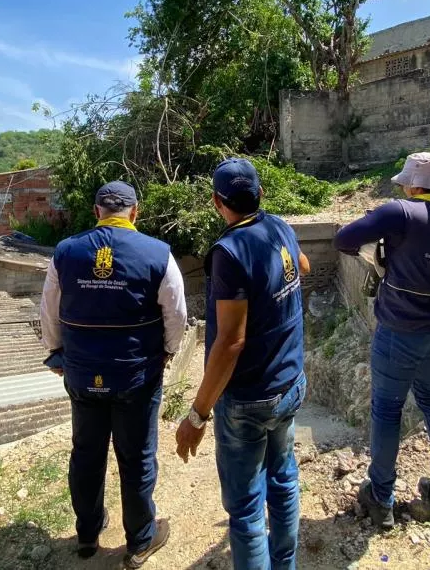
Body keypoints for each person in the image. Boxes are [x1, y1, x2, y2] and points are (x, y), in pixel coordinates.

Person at [39, 181, 187, 567]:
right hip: (136, 377)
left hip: (83, 374)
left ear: (96, 212)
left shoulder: (66, 252)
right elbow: (177, 315)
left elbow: (49, 311)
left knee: (86, 452)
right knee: (136, 457)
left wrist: (56, 353)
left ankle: (87, 533)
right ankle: (139, 540)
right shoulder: (158, 255)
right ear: (135, 213)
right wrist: (168, 353)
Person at [176, 158, 310, 570]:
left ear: (218, 202)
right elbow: (302, 266)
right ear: (261, 195)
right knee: (283, 479)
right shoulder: (279, 227)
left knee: (247, 506)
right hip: (289, 383)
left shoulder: (229, 252)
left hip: (250, 397)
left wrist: (197, 415)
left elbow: (230, 343)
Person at [332, 152, 430, 529]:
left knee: (387, 410)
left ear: (416, 185)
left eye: (405, 184)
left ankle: (380, 496)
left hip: (400, 333)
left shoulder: (401, 212)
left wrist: (375, 249)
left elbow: (344, 238)